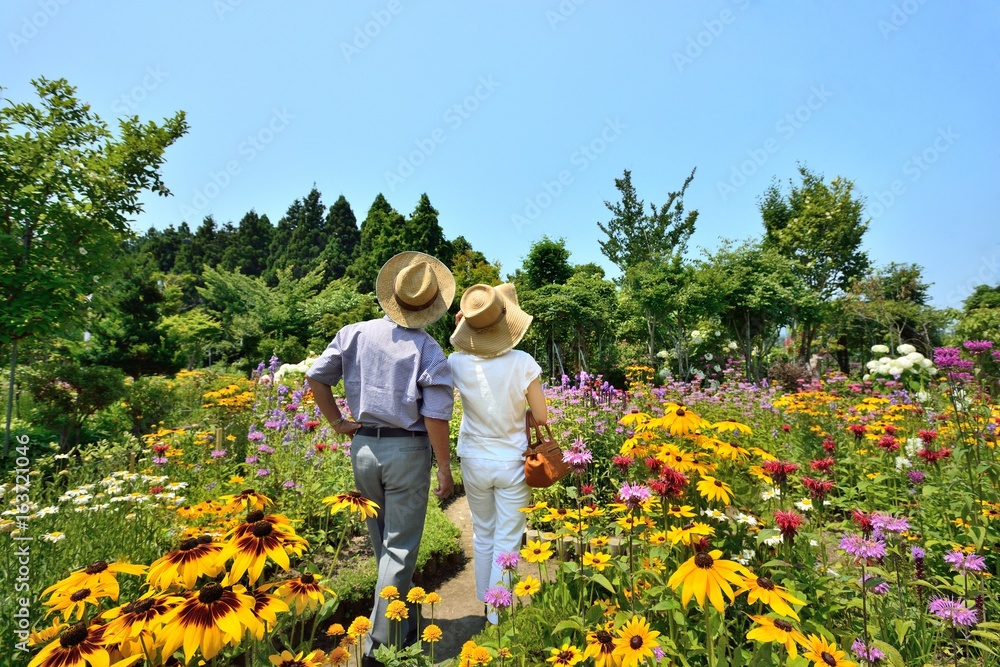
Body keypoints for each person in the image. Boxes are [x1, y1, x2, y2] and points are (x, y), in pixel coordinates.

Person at [306, 251, 455, 666]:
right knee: (401, 548)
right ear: (430, 305)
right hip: (407, 449)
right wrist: (444, 468)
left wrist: (337, 422)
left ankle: (401, 624)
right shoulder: (427, 349)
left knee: (382, 543)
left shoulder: (353, 333)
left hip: (365, 449)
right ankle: (377, 648)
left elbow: (317, 377)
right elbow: (436, 415)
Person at [447, 283, 547, 624]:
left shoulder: (457, 363)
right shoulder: (523, 362)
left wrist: (462, 330)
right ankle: (498, 614)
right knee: (507, 536)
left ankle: (484, 602)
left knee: (483, 531)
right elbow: (543, 416)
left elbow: (456, 351)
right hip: (512, 461)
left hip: (474, 458)